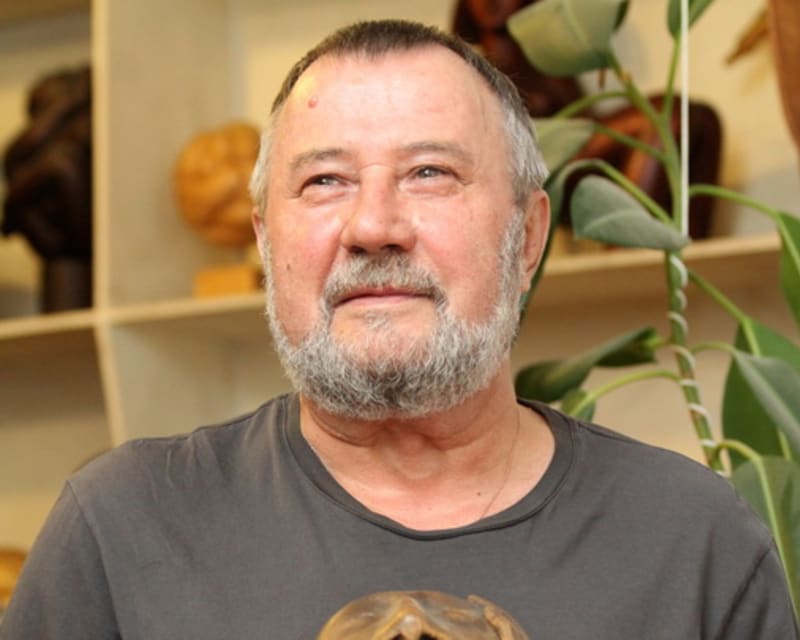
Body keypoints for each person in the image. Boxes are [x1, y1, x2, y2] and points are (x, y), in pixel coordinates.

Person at [0, 19, 796, 640]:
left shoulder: (694, 542)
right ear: (267, 244)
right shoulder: (119, 532)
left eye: (429, 173)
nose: (374, 226)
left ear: (526, 238)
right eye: (325, 180)